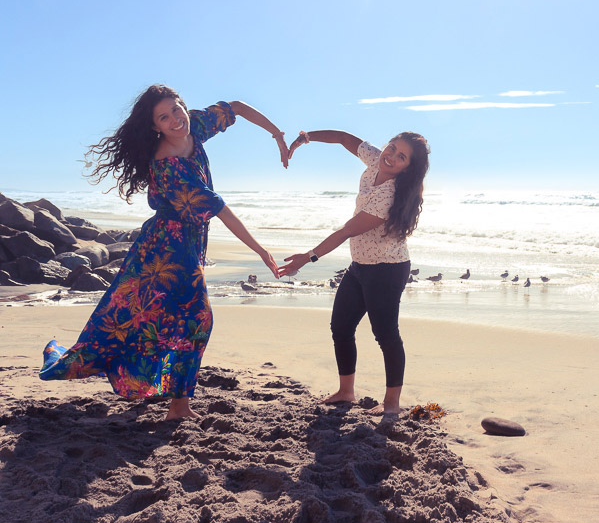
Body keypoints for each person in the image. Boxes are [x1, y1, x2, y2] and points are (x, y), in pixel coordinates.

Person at [40, 84, 286, 420]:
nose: (174, 120)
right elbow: (219, 208)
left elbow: (238, 107)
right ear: (155, 126)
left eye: (176, 110)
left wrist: (277, 135)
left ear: (184, 107)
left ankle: (174, 399)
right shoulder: (168, 165)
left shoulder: (193, 125)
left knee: (162, 318)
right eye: (164, 117)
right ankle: (178, 406)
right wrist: (261, 250)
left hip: (189, 242)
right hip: (165, 250)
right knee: (195, 318)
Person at [278, 129, 430, 416]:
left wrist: (307, 257)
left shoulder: (389, 195)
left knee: (386, 334)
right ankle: (346, 391)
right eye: (392, 147)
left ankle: (392, 403)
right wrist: (305, 138)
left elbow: (348, 230)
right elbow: (344, 139)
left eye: (401, 157)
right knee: (341, 327)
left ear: (408, 167)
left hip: (387, 270)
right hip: (361, 265)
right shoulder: (377, 160)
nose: (391, 156)